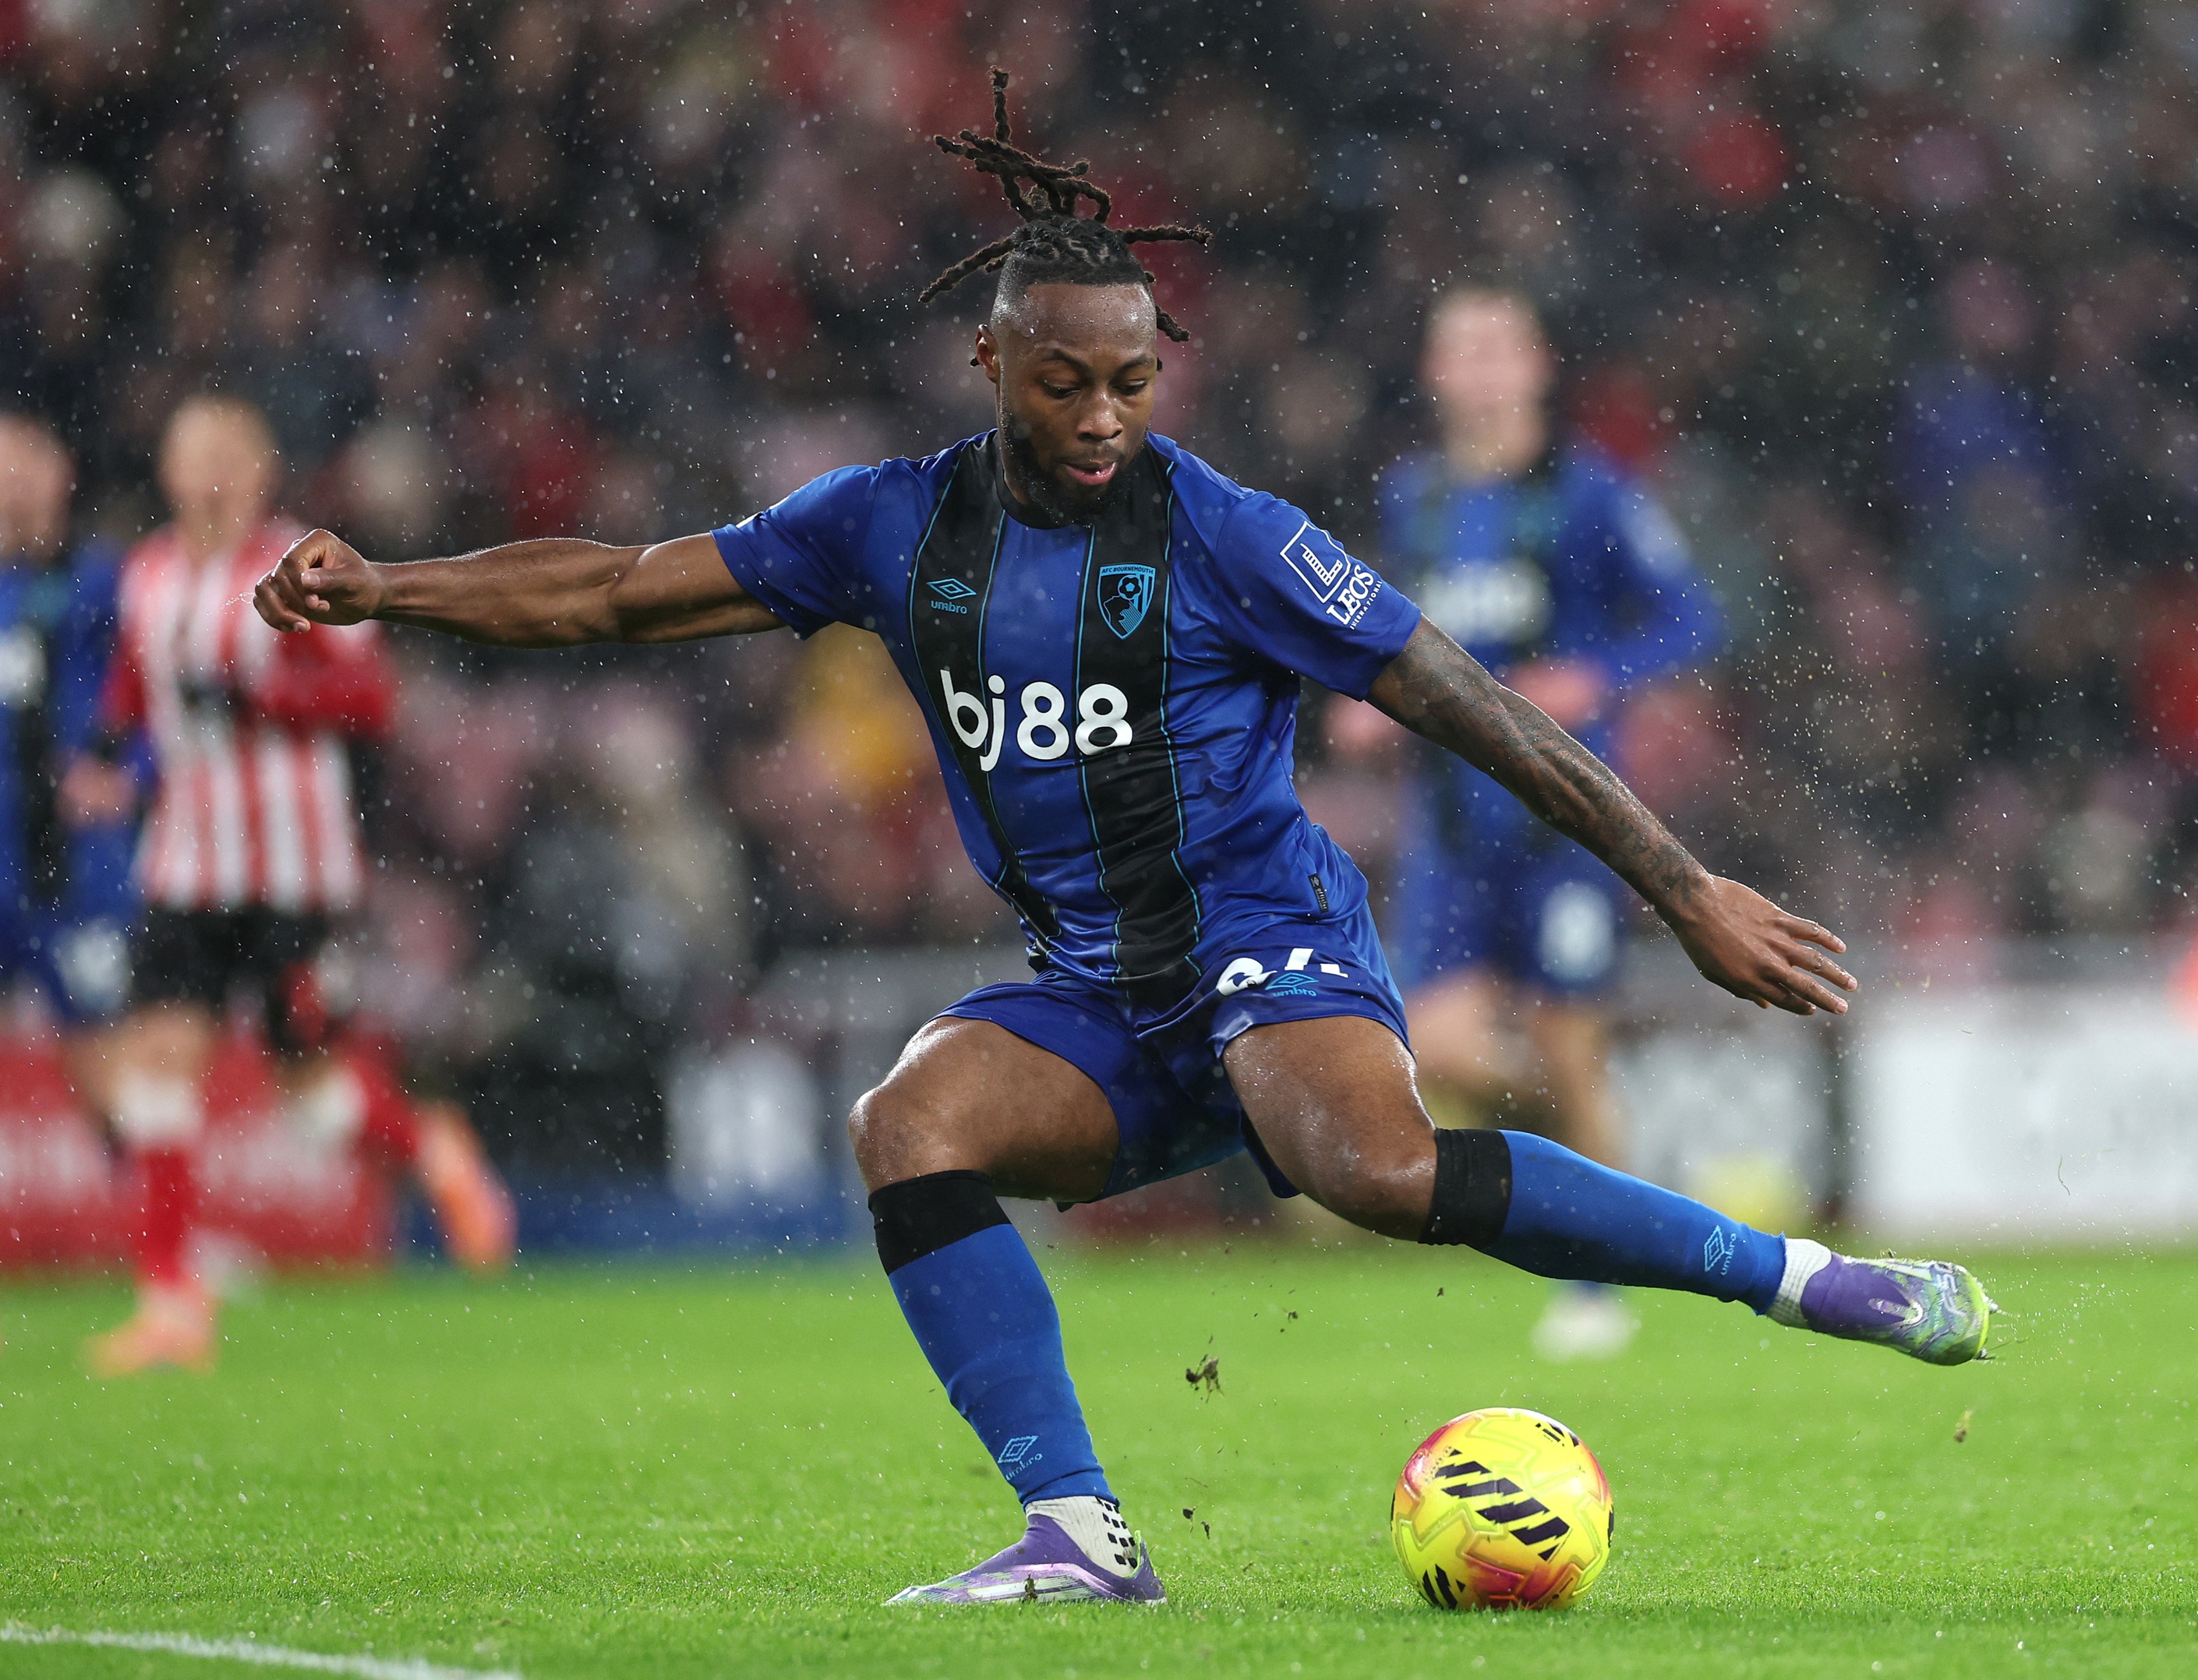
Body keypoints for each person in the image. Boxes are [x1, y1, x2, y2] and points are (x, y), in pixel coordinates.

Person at [254, 72, 1991, 1608]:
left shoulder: (1229, 535)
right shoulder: (884, 523)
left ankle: (1802, 1278)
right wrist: (388, 589)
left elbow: (1471, 700)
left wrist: (1682, 886)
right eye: (1067, 381)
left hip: (1263, 925)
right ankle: (1077, 1527)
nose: (1101, 418)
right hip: (1099, 979)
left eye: (1132, 384)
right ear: (990, 357)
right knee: (907, 1128)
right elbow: (626, 592)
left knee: (1369, 1172)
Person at [83, 395, 514, 1378]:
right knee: (154, 1063)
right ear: (166, 470)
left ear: (263, 469)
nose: (209, 473)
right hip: (186, 865)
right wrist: (108, 751)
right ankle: (170, 1303)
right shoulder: (147, 571)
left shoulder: (302, 568)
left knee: (314, 1098)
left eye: (228, 453)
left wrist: (260, 696)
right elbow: (130, 676)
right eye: (192, 454)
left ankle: (431, 1147)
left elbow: (369, 697)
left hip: (292, 872)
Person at [1362, 285, 1721, 1361]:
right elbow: (1389, 629)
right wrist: (1370, 696)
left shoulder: (1589, 494)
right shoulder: (1411, 498)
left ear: (1535, 368)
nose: (1476, 369)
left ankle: (1598, 1283)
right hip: (1455, 830)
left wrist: (1594, 676)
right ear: (1433, 375)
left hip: (1563, 818)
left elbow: (1692, 614)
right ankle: (1606, 1153)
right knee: (1430, 1050)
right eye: (1457, 350)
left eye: (1494, 349)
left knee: (1568, 1047)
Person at [0, 415, 136, 1135]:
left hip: (69, 863)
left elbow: (154, 691)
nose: (14, 477)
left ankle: (162, 1237)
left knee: (106, 1059)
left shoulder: (102, 577)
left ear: (64, 473)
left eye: (30, 460)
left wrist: (131, 776)